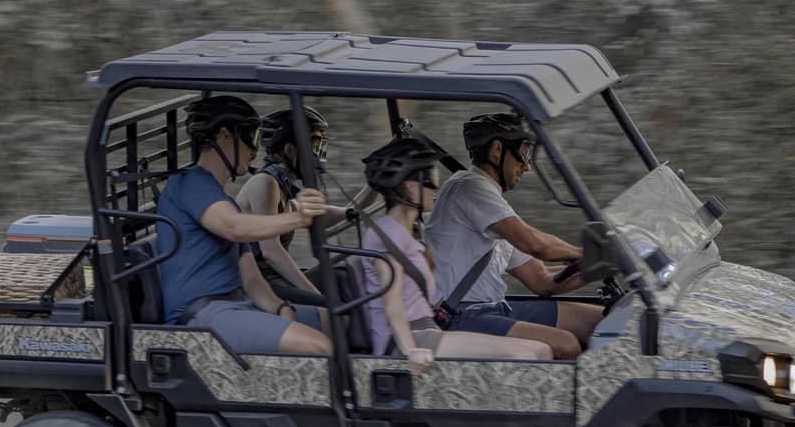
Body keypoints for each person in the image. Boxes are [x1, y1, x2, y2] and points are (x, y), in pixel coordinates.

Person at [154, 95, 333, 355]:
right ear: (225, 135)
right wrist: (298, 218)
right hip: (204, 315)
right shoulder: (189, 184)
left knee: (337, 322)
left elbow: (251, 279)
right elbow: (233, 227)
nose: (255, 150)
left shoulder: (225, 201)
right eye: (251, 138)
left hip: (240, 304)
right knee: (319, 346)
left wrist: (282, 309)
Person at [359, 138, 553, 372]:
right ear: (409, 186)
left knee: (541, 350)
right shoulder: (388, 235)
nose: (437, 188)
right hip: (408, 337)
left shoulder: (410, 232)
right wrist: (410, 351)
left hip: (426, 329)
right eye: (430, 180)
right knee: (528, 354)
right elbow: (392, 305)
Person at [423, 113, 602, 360]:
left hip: (496, 309)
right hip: (462, 315)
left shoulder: (494, 208)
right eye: (524, 152)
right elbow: (536, 245)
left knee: (599, 321)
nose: (526, 166)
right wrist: (588, 252)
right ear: (497, 150)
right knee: (565, 344)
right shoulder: (470, 187)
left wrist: (597, 267)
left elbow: (543, 282)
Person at [234, 106, 351, 306]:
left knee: (341, 275)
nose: (318, 152)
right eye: (314, 144)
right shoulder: (266, 184)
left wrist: (355, 211)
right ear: (289, 150)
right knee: (334, 308)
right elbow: (272, 253)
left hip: (274, 278)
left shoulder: (283, 186)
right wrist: (319, 298)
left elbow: (320, 216)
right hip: (258, 283)